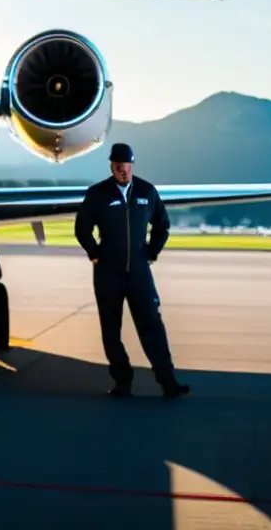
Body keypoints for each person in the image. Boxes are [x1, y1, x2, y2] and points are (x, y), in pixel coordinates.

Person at [73, 143, 190, 399]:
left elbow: (162, 225)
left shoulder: (147, 192)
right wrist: (95, 256)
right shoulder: (98, 194)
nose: (122, 170)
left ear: (132, 165)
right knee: (111, 329)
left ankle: (168, 381)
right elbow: (82, 228)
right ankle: (122, 382)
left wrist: (151, 252)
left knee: (152, 326)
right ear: (111, 166)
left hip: (139, 272)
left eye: (126, 165)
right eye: (117, 165)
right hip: (107, 273)